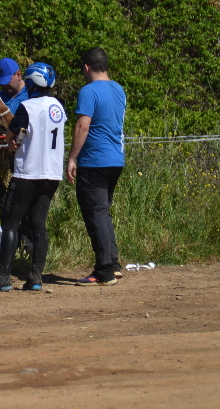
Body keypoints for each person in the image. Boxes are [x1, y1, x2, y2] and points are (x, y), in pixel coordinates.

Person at [0, 62, 66, 292]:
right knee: (39, 226)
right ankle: (35, 277)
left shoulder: (27, 107)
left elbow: (12, 133)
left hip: (28, 172)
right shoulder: (59, 106)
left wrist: (10, 139)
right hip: (52, 173)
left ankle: (2, 278)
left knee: (10, 223)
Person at [66, 47, 126, 286]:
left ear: (87, 67)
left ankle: (104, 271)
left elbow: (82, 127)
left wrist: (72, 158)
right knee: (103, 212)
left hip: (94, 161)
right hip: (115, 159)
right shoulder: (119, 89)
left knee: (95, 213)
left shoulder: (88, 91)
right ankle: (113, 264)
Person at [0, 57, 33, 252]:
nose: (5, 87)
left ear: (18, 75)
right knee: (5, 203)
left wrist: (20, 138)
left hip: (24, 157)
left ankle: (28, 244)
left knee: (25, 203)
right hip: (3, 158)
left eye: (7, 82)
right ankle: (11, 247)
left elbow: (32, 125)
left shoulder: (30, 95)